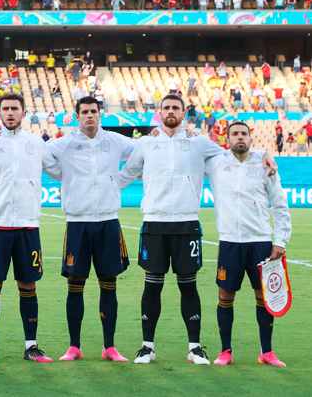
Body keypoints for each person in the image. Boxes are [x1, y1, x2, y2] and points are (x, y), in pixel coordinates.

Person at [118, 96, 277, 365]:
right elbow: (126, 175)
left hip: (186, 223)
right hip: (154, 224)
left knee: (188, 286)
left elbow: (235, 153)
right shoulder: (146, 143)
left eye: (175, 108)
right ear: (160, 113)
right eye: (166, 108)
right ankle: (147, 347)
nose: (171, 112)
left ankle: (194, 348)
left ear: (183, 113)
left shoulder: (199, 142)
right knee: (152, 286)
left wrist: (265, 154)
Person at [0, 93, 60, 364]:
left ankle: (31, 346)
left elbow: (58, 169)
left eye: (14, 108)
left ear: (23, 111)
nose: (9, 113)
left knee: (27, 284)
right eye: (5, 108)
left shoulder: (35, 143)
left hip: (28, 225)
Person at [44, 96, 134, 363]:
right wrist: (64, 176)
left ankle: (109, 346)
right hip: (78, 223)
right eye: (84, 112)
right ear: (77, 116)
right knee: (75, 284)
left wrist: (120, 180)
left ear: (100, 114)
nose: (90, 116)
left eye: (94, 111)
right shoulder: (67, 142)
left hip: (107, 221)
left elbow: (141, 154)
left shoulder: (115, 140)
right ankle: (74, 346)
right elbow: (43, 155)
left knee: (109, 284)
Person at [206, 122, 291, 367]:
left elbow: (280, 205)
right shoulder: (215, 163)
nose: (239, 138)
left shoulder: (265, 166)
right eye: (235, 134)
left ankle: (266, 351)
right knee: (225, 294)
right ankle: (225, 351)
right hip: (230, 241)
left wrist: (280, 241)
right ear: (227, 139)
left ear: (251, 139)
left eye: (244, 134)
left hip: (261, 242)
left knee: (264, 296)